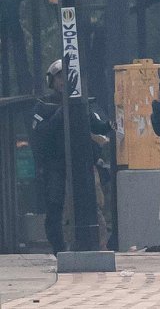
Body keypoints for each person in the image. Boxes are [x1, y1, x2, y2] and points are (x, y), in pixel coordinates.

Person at [30, 59, 112, 255]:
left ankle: (97, 245)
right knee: (55, 207)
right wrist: (63, 110)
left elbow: (100, 125)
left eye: (67, 77)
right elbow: (42, 133)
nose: (63, 81)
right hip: (55, 166)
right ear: (52, 80)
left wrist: (114, 122)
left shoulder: (83, 103)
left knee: (94, 206)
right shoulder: (43, 106)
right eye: (59, 77)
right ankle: (60, 248)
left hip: (83, 165)